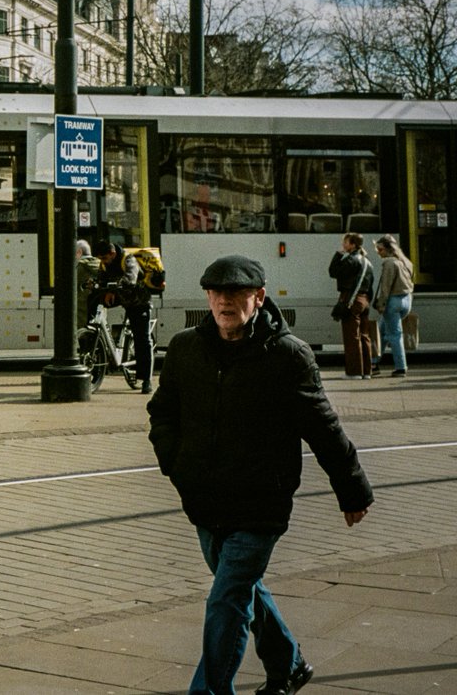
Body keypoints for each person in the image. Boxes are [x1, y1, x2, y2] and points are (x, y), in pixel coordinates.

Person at [147, 254, 373, 695]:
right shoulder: (186, 347)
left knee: (226, 598)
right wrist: (175, 464)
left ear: (259, 297)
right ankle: (288, 664)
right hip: (204, 498)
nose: (224, 302)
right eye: (216, 292)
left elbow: (323, 427)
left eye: (236, 293)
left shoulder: (288, 355)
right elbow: (163, 412)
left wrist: (351, 488)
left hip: (259, 502)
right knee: (241, 586)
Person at [91, 241, 154, 394]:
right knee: (92, 300)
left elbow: (131, 278)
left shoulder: (128, 259)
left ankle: (146, 380)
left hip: (139, 301)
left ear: (112, 253)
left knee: (142, 338)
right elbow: (101, 277)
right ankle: (92, 336)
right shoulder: (105, 264)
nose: (103, 261)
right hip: (122, 297)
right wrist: (94, 284)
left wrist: (113, 287)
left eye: (105, 258)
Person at [328, 232, 375, 379]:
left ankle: (354, 372)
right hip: (365, 300)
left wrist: (337, 255)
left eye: (346, 242)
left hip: (352, 299)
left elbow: (333, 272)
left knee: (351, 337)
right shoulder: (368, 262)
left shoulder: (351, 260)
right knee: (364, 336)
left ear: (353, 245)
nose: (343, 245)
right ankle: (367, 371)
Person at [372, 234, 413, 378]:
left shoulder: (389, 263)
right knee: (381, 331)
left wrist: (381, 304)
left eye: (380, 249)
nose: (378, 252)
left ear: (388, 249)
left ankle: (401, 367)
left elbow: (385, 287)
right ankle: (374, 362)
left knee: (394, 335)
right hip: (406, 299)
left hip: (393, 302)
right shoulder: (405, 262)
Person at [74, 239, 100, 328]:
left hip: (82, 307)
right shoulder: (99, 263)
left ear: (79, 252)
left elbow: (68, 285)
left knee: (81, 332)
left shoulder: (80, 266)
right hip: (97, 305)